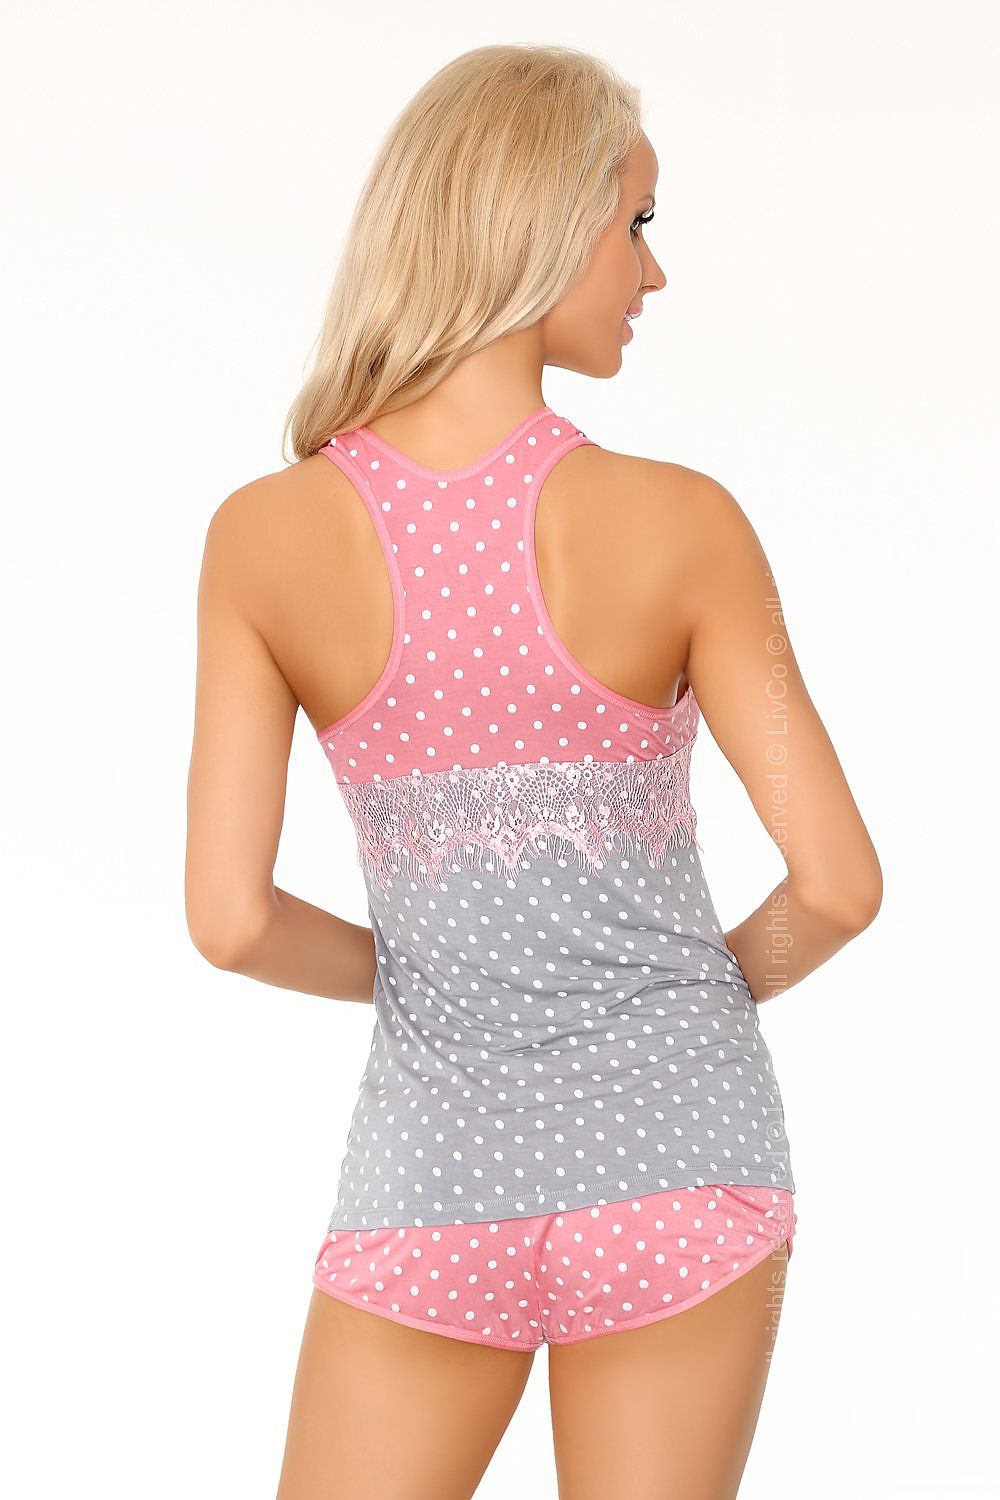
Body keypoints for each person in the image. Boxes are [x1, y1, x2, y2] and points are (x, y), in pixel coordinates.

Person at [185, 43, 882, 1500]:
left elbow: (231, 922)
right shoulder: (681, 522)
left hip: (432, 1174)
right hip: (686, 1155)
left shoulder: (264, 538)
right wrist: (688, 997)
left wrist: (423, 977)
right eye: (637, 224)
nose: (654, 273)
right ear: (540, 222)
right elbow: (837, 888)